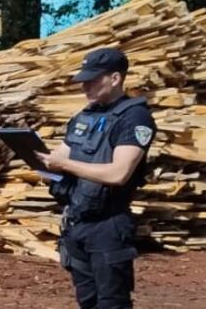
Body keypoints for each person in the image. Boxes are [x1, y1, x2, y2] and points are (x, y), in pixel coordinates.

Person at [35, 48, 156, 309]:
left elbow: (118, 173)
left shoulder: (134, 117)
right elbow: (61, 156)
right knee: (88, 300)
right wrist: (42, 162)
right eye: (83, 80)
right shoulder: (84, 116)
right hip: (77, 220)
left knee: (112, 303)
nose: (85, 86)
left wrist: (64, 164)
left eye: (92, 80)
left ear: (115, 78)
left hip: (108, 226)